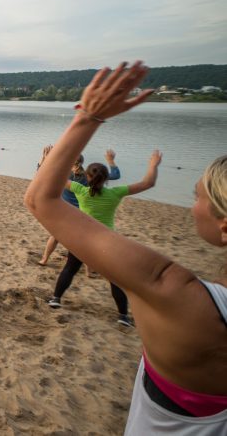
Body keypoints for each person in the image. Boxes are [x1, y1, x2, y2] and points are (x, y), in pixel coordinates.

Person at [24, 61, 227, 432]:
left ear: (224, 225)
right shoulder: (114, 189)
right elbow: (144, 185)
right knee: (106, 282)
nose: (192, 202)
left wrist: (89, 117)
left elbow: (41, 198)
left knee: (77, 270)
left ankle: (62, 298)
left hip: (93, 244)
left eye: (196, 196)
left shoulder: (177, 293)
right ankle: (118, 313)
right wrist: (147, 165)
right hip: (102, 243)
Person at [41, 148, 161, 325]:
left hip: (81, 240)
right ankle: (123, 316)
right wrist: (153, 165)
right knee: (114, 279)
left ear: (87, 177)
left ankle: (56, 299)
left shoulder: (80, 190)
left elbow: (50, 175)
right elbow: (148, 183)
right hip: (106, 243)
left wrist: (47, 158)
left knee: (70, 269)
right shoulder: (115, 193)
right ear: (106, 179)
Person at [38, 147, 121, 266]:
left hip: (64, 212)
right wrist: (111, 161)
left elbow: (43, 175)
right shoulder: (90, 176)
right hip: (82, 213)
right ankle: (88, 267)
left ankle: (44, 259)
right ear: (82, 162)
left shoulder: (64, 175)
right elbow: (116, 175)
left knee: (55, 236)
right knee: (82, 240)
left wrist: (46, 159)